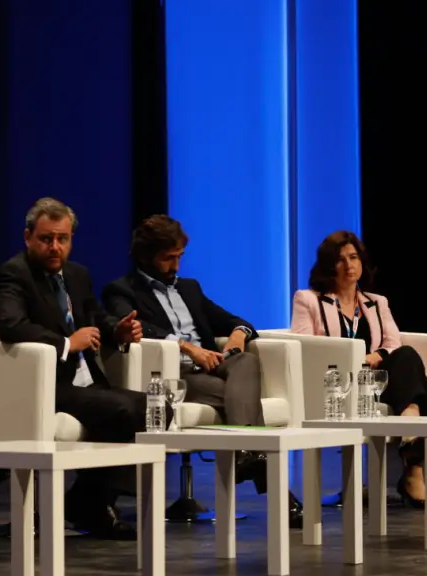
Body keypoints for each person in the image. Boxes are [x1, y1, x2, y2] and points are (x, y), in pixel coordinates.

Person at [102, 214, 305, 526]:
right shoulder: (121, 290)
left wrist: (238, 334)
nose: (176, 265)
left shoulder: (189, 288)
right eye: (168, 258)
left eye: (179, 257)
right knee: (241, 397)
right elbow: (135, 327)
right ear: (145, 256)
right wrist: (187, 347)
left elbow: (235, 320)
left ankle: (244, 453)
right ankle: (264, 475)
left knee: (247, 361)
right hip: (174, 377)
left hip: (214, 368)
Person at [0, 197, 154, 540]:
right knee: (123, 409)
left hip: (87, 382)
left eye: (62, 239)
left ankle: (87, 500)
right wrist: (66, 343)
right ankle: (90, 505)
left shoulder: (77, 275)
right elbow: (8, 324)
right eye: (46, 239)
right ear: (28, 237)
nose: (55, 247)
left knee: (155, 406)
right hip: (48, 385)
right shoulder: (15, 274)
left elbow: (95, 318)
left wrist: (118, 331)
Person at [290, 231, 427, 507]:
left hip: (374, 382)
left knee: (407, 356)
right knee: (419, 384)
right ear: (328, 266)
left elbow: (392, 342)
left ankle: (410, 417)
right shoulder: (308, 300)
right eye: (340, 259)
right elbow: (304, 345)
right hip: (336, 383)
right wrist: (356, 359)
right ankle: (413, 464)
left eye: (353, 257)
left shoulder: (376, 302)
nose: (349, 265)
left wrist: (376, 356)